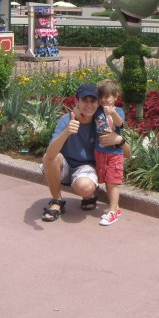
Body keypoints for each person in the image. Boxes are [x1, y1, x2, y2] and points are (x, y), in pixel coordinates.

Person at [40, 84, 125, 222]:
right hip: (65, 165)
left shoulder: (101, 121)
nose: (89, 105)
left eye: (93, 101)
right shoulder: (66, 120)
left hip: (86, 168)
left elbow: (127, 152)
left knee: (85, 188)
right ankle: (57, 201)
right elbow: (49, 155)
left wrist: (119, 140)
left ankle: (89, 194)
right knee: (50, 158)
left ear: (98, 103)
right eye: (85, 100)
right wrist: (67, 132)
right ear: (77, 101)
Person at [94, 79, 126, 226]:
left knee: (113, 182)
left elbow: (120, 124)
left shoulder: (118, 111)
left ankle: (112, 212)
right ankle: (116, 207)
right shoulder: (97, 111)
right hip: (100, 152)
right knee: (107, 181)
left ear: (116, 96)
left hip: (114, 153)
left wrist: (112, 113)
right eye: (101, 97)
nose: (103, 100)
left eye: (107, 96)